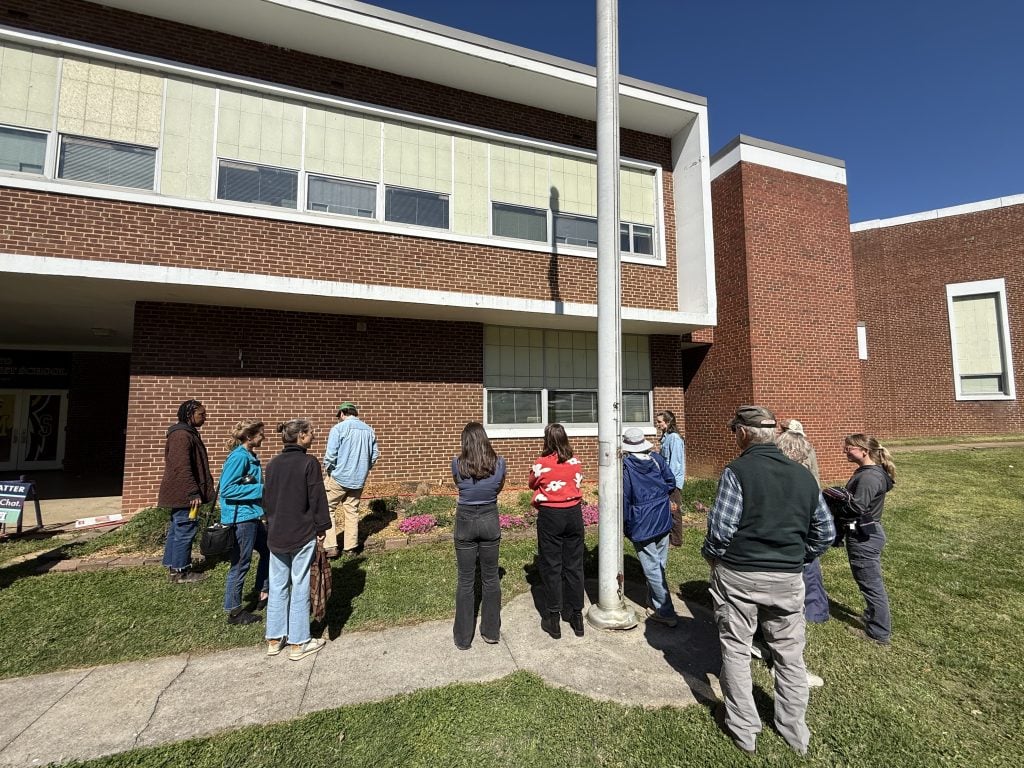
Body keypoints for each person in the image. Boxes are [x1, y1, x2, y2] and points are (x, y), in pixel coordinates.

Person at [702, 405, 834, 756]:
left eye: (735, 432)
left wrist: (714, 557)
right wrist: (798, 557)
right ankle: (794, 731)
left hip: (739, 577)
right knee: (790, 655)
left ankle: (744, 729)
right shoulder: (803, 475)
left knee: (736, 649)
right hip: (788, 579)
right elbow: (825, 531)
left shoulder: (738, 471)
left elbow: (720, 530)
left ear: (743, 434)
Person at [263, 419, 331, 661]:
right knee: (300, 582)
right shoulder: (308, 463)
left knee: (278, 584)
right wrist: (322, 525)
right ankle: (298, 641)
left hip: (276, 532)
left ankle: (274, 638)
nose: (313, 436)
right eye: (311, 433)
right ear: (301, 436)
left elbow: (267, 499)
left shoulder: (272, 464)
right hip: (301, 532)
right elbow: (316, 496)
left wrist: (269, 523)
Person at [451, 422, 505, 650]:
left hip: (465, 519)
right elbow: (498, 487)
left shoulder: (457, 463)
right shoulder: (499, 463)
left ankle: (463, 637)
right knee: (491, 578)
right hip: (489, 517)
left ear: (465, 442)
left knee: (465, 579)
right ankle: (491, 631)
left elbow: (458, 484)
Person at [529, 423, 585, 639]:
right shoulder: (576, 461)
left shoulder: (541, 463)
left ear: (547, 440)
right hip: (573, 514)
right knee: (574, 565)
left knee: (552, 565)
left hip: (551, 515)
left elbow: (532, 483)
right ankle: (576, 616)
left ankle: (553, 618)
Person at [621, 426, 679, 628]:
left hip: (641, 520)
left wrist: (626, 525)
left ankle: (666, 610)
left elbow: (625, 497)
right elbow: (670, 481)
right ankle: (654, 602)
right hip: (662, 516)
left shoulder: (626, 466)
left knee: (652, 566)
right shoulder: (657, 459)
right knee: (659, 562)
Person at [842, 433, 896, 645]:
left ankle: (879, 632)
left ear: (864, 451)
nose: (844, 451)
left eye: (849, 448)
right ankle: (872, 616)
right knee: (867, 581)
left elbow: (857, 506)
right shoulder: (869, 473)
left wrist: (835, 500)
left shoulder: (869, 477)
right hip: (869, 533)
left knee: (871, 584)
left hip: (864, 537)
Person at [777, 419, 829, 623]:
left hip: (792, 506)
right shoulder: (809, 448)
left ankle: (808, 609)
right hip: (809, 505)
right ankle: (816, 610)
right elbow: (815, 478)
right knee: (810, 563)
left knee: (803, 562)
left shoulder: (783, 447)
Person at [218, 419, 270, 626]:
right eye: (260, 434)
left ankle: (263, 591)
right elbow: (227, 489)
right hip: (241, 519)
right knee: (240, 564)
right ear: (249, 437)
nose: (263, 437)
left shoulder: (249, 456)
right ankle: (234, 611)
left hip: (252, 516)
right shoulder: (239, 458)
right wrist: (260, 490)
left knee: (269, 550)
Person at [158, 399, 214, 584]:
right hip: (185, 495)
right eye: (201, 414)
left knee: (178, 528)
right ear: (190, 415)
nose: (205, 418)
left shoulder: (186, 434)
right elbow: (181, 467)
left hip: (182, 493)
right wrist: (192, 492)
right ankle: (181, 571)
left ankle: (172, 565)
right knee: (185, 529)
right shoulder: (181, 435)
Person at [322, 402, 380, 557]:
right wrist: (364, 470)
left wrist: (329, 470)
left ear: (342, 414)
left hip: (338, 477)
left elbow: (330, 455)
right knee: (352, 511)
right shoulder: (369, 430)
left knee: (327, 509)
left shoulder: (338, 429)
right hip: (358, 479)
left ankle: (331, 546)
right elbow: (374, 455)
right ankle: (350, 548)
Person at [655, 410, 686, 547]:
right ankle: (668, 537)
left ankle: (676, 540)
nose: (658, 424)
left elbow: (675, 463)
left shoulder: (674, 438)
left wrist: (670, 482)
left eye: (660, 422)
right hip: (664, 480)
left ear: (668, 422)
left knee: (674, 510)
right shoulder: (666, 437)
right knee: (667, 509)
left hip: (672, 481)